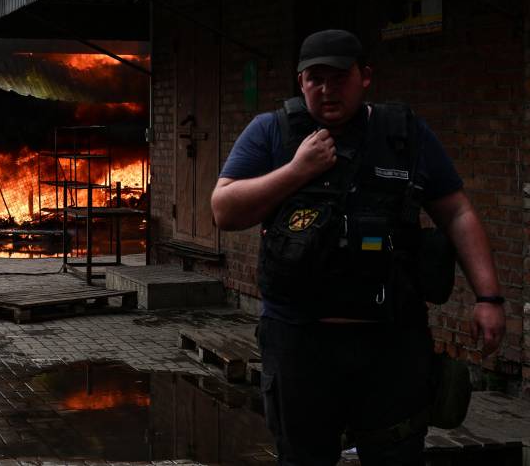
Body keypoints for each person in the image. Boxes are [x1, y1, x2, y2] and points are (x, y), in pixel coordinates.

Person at [210, 29, 505, 465]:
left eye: (339, 77)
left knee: (396, 455)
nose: (327, 89)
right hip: (300, 341)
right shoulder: (272, 131)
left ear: (365, 76)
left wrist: (489, 297)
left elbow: (456, 212)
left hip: (390, 341)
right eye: (316, 78)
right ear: (300, 81)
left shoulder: (404, 134)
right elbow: (224, 209)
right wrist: (297, 170)